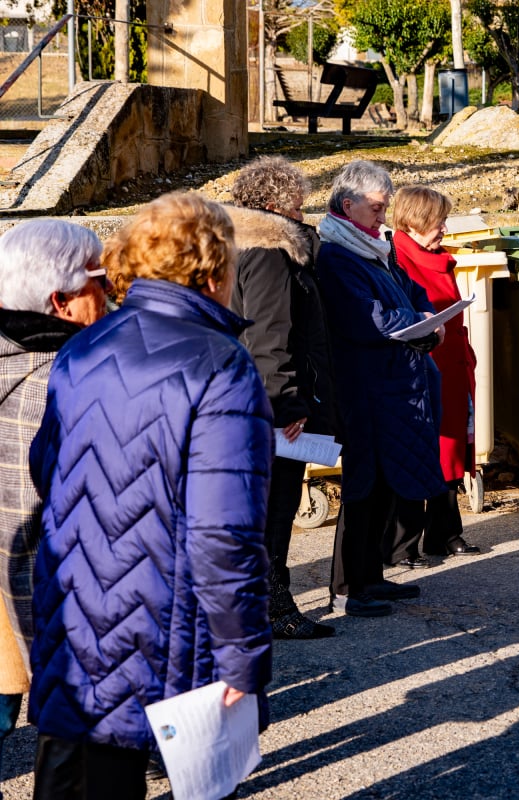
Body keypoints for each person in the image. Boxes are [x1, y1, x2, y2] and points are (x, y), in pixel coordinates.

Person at [28, 193, 273, 799]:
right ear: (214, 269)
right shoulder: (222, 364)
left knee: (92, 772)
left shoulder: (83, 346)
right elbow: (224, 531)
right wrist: (244, 656)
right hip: (168, 614)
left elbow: (47, 467)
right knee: (199, 775)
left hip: (80, 597)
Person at [0, 220, 105, 794]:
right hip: (56, 598)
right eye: (101, 281)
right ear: (61, 302)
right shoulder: (71, 380)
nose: (111, 293)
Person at [316, 160, 442, 616]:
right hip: (364, 388)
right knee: (363, 485)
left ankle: (373, 576)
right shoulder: (335, 255)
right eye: (376, 208)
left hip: (394, 385)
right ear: (347, 205)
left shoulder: (374, 249)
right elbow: (367, 318)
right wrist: (421, 324)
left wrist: (427, 319)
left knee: (387, 482)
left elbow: (412, 295)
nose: (383, 217)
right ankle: (349, 586)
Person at [228, 155, 338, 640]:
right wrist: (287, 406)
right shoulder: (270, 252)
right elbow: (269, 337)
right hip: (273, 408)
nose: (302, 214)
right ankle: (274, 607)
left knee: (262, 508)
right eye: (297, 205)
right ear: (273, 206)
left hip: (250, 402)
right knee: (275, 508)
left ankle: (264, 604)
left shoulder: (235, 247)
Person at [390, 185, 482, 558]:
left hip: (452, 366)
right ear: (414, 221)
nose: (444, 227)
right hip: (420, 370)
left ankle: (444, 532)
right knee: (420, 450)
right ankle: (403, 542)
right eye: (438, 220)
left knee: (451, 450)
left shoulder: (438, 259)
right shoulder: (399, 258)